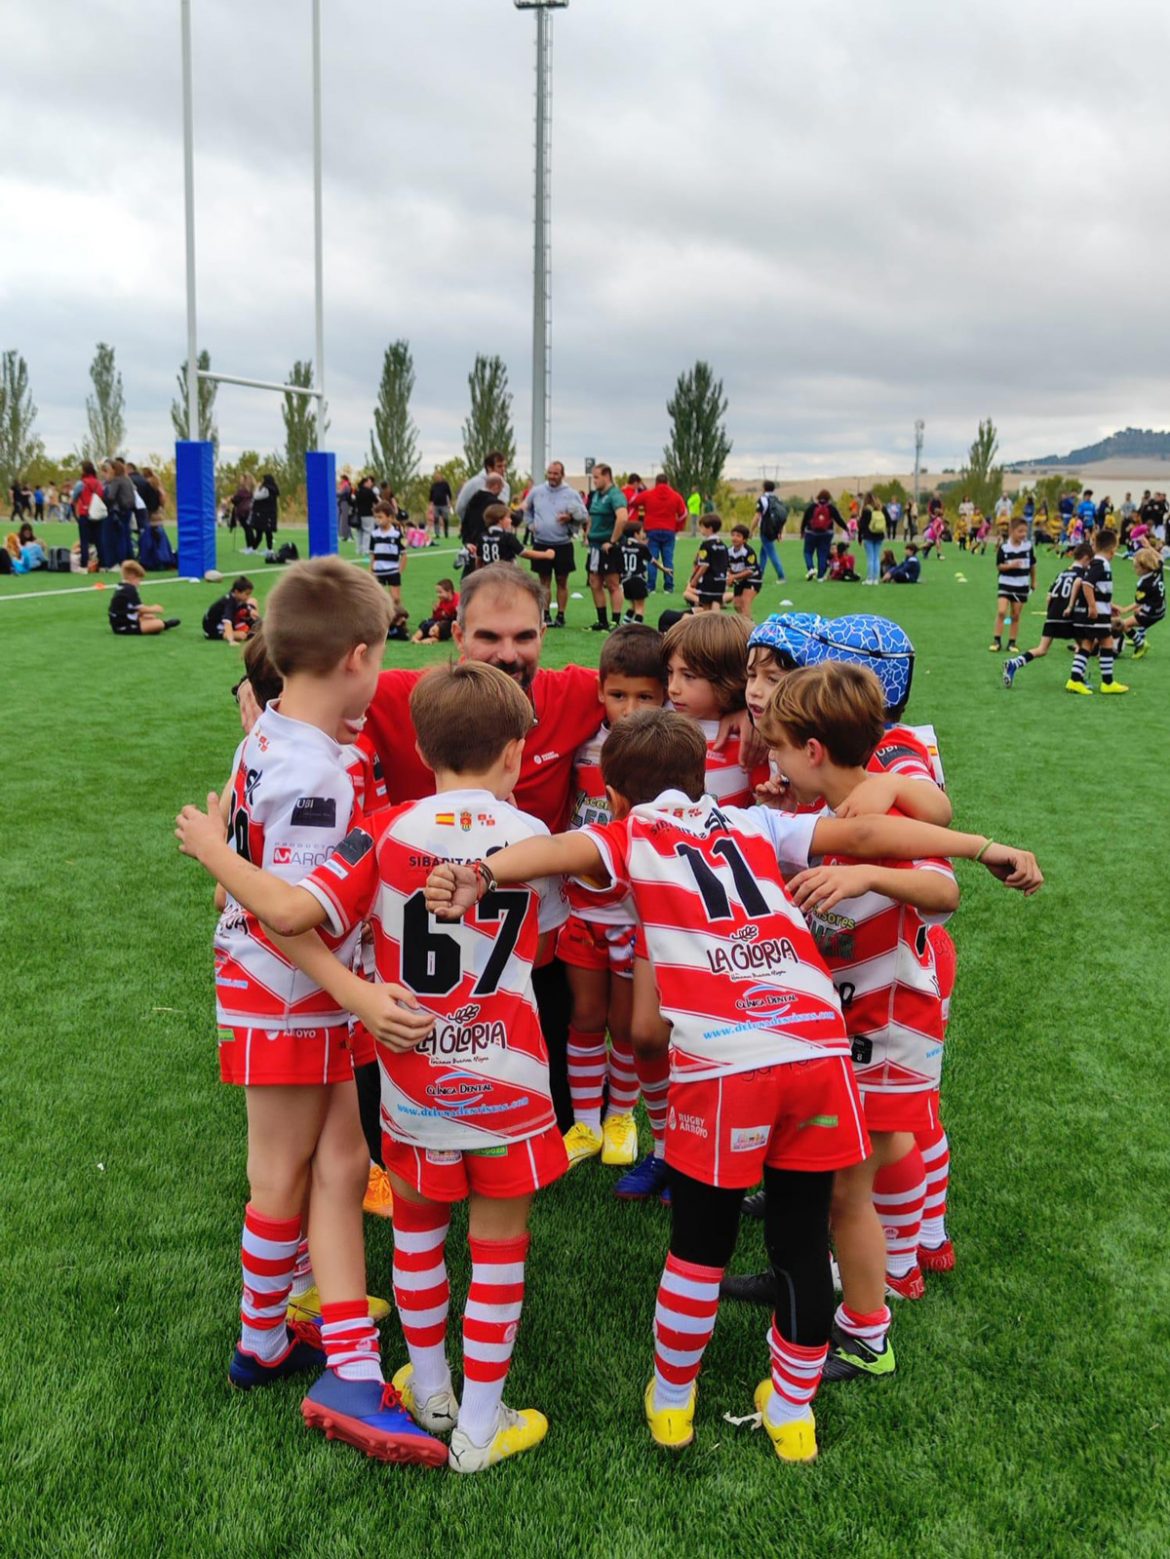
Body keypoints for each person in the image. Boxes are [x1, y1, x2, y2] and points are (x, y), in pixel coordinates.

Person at [425, 707, 1040, 1461]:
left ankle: (672, 1405)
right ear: (700, 780)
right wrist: (982, 847)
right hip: (818, 1047)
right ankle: (792, 1413)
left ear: (614, 796)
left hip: (725, 1060)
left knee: (700, 1243)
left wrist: (483, 872)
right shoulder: (754, 821)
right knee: (802, 1239)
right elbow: (868, 838)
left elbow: (554, 849)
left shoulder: (628, 834)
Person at [185, 660, 569, 1472]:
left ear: (421, 750)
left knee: (418, 1234)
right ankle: (480, 1425)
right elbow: (545, 944)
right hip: (508, 1085)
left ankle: (428, 1389)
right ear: (514, 752)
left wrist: (218, 854)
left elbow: (295, 912)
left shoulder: (384, 828)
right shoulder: (536, 838)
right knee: (499, 1248)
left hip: (415, 1082)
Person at [174, 561, 448, 1463]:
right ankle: (264, 1340)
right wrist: (359, 993)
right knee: (281, 1174)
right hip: (288, 994)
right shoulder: (311, 773)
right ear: (359, 656)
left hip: (299, 993)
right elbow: (285, 915)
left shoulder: (279, 731)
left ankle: (338, 1351)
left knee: (341, 1160)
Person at [558, 626, 668, 1171]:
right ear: (600, 691)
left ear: (664, 696)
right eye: (618, 694)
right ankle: (585, 1121)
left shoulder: (666, 749)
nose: (629, 708)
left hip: (633, 915)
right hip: (582, 907)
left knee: (625, 1026)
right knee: (585, 1015)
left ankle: (621, 1116)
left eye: (645, 696)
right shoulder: (581, 745)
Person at [1002, 544, 1093, 687]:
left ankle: (1014, 663)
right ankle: (1078, 679)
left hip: (1052, 615)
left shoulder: (1062, 573)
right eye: (1090, 562)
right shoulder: (1082, 574)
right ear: (1086, 558)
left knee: (1042, 649)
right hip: (1068, 615)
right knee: (1085, 645)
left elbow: (1049, 597)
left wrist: (1050, 614)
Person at [521, 459, 589, 625]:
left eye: (555, 474)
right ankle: (545, 615)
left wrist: (570, 517)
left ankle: (560, 615)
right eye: (550, 473)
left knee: (561, 581)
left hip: (562, 543)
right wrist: (530, 524)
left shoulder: (571, 493)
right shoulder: (537, 491)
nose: (552, 476)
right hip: (541, 543)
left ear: (562, 475)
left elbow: (584, 516)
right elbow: (526, 509)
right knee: (544, 581)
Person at [1066, 528, 1126, 695]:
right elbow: (1087, 584)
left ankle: (1075, 680)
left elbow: (1097, 588)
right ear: (1112, 549)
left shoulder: (1096, 562)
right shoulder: (1101, 563)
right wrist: (1093, 606)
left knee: (1088, 644)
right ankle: (1107, 682)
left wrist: (1108, 605)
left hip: (1098, 610)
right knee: (1106, 642)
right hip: (1096, 613)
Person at [627, 472, 688, 594]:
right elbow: (683, 514)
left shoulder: (648, 494)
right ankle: (668, 587)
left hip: (652, 530)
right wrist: (677, 527)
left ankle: (651, 586)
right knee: (668, 559)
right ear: (668, 483)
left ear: (656, 483)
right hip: (669, 531)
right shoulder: (676, 496)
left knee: (651, 558)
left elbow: (633, 502)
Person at [586, 463, 629, 630]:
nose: (594, 480)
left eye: (597, 477)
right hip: (595, 546)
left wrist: (612, 541)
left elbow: (622, 518)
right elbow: (592, 517)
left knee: (612, 584)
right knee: (594, 582)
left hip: (608, 547)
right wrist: (587, 534)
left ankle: (615, 622)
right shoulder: (596, 495)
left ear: (607, 476)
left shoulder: (615, 495)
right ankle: (601, 621)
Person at [989, 517, 1036, 654]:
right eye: (1020, 531)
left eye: (1025, 532)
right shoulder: (1004, 547)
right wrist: (1011, 566)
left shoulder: (1028, 547)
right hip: (1005, 583)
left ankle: (1012, 642)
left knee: (1015, 615)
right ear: (1011, 531)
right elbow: (999, 566)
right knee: (1002, 611)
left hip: (1022, 585)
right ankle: (996, 640)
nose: (1023, 534)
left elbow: (1032, 565)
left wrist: (1034, 581)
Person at [107, 558, 179, 634]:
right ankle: (165, 624)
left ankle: (156, 623)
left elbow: (131, 608)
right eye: (139, 579)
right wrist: (154, 608)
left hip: (119, 621)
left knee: (150, 616)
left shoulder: (121, 586)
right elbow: (141, 609)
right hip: (123, 626)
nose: (139, 583)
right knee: (158, 624)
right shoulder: (130, 589)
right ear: (132, 576)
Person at [1116, 547, 1165, 657]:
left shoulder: (1144, 584)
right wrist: (1149, 547)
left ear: (1145, 568)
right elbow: (1160, 557)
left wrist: (1124, 610)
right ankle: (1140, 636)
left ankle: (1140, 644)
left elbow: (1138, 603)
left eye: (1136, 567)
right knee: (1138, 612)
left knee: (1122, 624)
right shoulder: (1158, 569)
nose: (1134, 569)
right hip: (1160, 608)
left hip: (1151, 613)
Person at [460, 472, 506, 576]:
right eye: (501, 488)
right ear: (496, 486)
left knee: (469, 579)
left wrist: (467, 542)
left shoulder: (472, 500)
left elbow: (464, 523)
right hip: (488, 550)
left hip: (471, 548)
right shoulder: (496, 505)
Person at [369, 499, 406, 623]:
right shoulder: (374, 534)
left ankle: (399, 619)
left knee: (395, 598)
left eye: (380, 517)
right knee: (380, 598)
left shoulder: (397, 534)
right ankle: (383, 621)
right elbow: (372, 554)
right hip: (379, 571)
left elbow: (404, 555)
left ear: (390, 517)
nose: (378, 520)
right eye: (376, 517)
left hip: (393, 570)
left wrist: (399, 571)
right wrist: (371, 570)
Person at [684, 515, 730, 611]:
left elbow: (704, 565)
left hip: (709, 580)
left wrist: (695, 579)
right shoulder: (723, 545)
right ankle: (717, 621)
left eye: (702, 527)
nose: (700, 529)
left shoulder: (705, 545)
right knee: (716, 603)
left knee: (706, 608)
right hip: (721, 580)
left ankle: (709, 622)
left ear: (710, 528)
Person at [610, 520, 652, 623]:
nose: (644, 534)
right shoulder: (642, 548)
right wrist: (664, 569)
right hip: (638, 579)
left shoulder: (621, 546)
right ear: (636, 534)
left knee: (633, 606)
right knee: (640, 608)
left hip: (625, 580)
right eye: (642, 532)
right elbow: (652, 560)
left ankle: (625, 625)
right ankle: (636, 629)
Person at [801, 490, 846, 581]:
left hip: (811, 533)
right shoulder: (831, 508)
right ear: (828, 498)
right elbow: (838, 519)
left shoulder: (812, 507)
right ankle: (820, 576)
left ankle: (811, 568)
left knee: (808, 552)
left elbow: (805, 518)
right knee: (822, 554)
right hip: (826, 534)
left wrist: (802, 530)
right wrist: (846, 528)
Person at [455, 452, 512, 522]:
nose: (503, 469)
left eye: (504, 466)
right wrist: (470, 523)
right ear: (489, 468)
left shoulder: (505, 486)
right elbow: (460, 507)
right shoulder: (474, 483)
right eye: (499, 466)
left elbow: (503, 509)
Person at [203, 576, 259, 643]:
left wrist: (251, 610)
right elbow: (227, 622)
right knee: (241, 635)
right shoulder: (229, 603)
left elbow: (245, 605)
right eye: (247, 594)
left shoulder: (236, 596)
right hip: (213, 629)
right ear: (237, 592)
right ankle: (248, 630)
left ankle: (252, 624)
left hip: (229, 620)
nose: (248, 596)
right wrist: (231, 641)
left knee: (252, 600)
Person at [104, 457, 137, 568]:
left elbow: (111, 496)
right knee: (126, 535)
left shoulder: (117, 480)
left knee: (120, 537)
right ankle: (130, 558)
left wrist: (105, 501)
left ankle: (121, 560)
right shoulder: (127, 480)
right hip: (128, 510)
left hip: (120, 510)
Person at [754, 481, 788, 585]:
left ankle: (781, 576)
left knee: (771, 552)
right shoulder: (778, 499)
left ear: (764, 488)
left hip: (766, 529)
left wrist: (751, 530)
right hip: (775, 528)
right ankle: (760, 573)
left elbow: (757, 517)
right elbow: (781, 516)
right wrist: (780, 531)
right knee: (764, 551)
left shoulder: (763, 499)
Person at [727, 523, 761, 619]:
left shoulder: (748, 552)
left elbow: (750, 571)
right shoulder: (729, 551)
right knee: (737, 604)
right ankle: (748, 622)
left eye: (738, 536)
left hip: (753, 579)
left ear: (744, 540)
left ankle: (748, 625)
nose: (734, 538)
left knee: (745, 602)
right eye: (733, 535)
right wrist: (729, 577)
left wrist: (733, 577)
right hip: (740, 580)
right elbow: (728, 567)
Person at [75, 460, 105, 571]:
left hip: (85, 513)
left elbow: (73, 498)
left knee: (84, 541)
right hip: (97, 514)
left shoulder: (81, 483)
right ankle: (102, 565)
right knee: (99, 540)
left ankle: (84, 566)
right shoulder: (98, 483)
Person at [412, 578, 460, 644]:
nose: (438, 595)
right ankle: (415, 638)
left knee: (439, 626)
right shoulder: (442, 602)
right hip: (444, 622)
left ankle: (433, 639)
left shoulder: (458, 601)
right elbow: (436, 618)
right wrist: (435, 611)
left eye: (440, 592)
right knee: (427, 623)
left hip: (452, 624)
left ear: (449, 591)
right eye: (437, 592)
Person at [859, 493, 887, 585]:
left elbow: (862, 525)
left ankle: (869, 578)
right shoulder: (881, 509)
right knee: (876, 557)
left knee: (870, 558)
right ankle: (876, 579)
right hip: (879, 535)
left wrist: (860, 537)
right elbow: (889, 520)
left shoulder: (866, 510)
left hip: (868, 536)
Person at [252, 473, 280, 554]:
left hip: (265, 514)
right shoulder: (273, 489)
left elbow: (256, 496)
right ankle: (265, 548)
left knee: (264, 531)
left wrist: (257, 488)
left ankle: (268, 549)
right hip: (270, 513)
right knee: (266, 531)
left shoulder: (267, 489)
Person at [352, 476, 377, 556]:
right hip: (368, 514)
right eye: (369, 482)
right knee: (368, 532)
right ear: (365, 483)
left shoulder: (357, 491)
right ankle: (366, 550)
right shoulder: (369, 491)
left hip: (358, 515)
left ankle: (358, 550)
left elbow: (352, 501)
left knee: (359, 533)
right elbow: (376, 501)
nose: (371, 484)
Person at [428, 468, 453, 540]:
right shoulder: (433, 485)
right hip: (436, 505)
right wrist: (431, 505)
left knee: (445, 519)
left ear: (441, 477)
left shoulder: (445, 484)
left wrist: (449, 503)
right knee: (436, 519)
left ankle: (446, 533)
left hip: (444, 505)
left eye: (438, 476)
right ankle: (437, 533)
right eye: (436, 477)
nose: (437, 478)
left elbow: (449, 494)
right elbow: (431, 496)